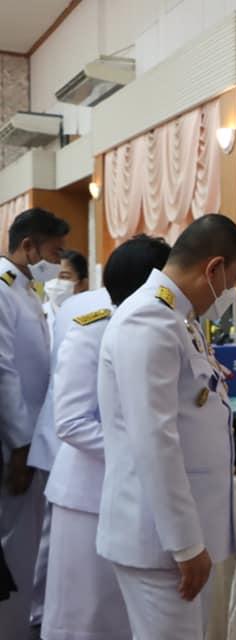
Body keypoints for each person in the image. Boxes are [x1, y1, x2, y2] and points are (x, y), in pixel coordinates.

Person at [97, 214, 236, 639]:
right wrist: (185, 544)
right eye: (234, 279)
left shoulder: (179, 319)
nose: (231, 292)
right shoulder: (149, 319)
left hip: (178, 538)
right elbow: (155, 441)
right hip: (160, 542)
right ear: (213, 268)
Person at [42, 235, 171, 640]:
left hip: (133, 495)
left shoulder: (163, 331)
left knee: (123, 618)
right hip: (88, 495)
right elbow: (71, 421)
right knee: (85, 616)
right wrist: (139, 451)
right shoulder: (93, 331)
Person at [0, 208, 69, 638]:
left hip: (29, 441)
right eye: (54, 251)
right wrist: (21, 444)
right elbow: (3, 372)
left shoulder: (24, 289)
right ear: (28, 246)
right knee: (12, 547)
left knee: (24, 546)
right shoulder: (2, 290)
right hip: (13, 445)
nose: (58, 261)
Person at [27, 248, 89, 631]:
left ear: (82, 283)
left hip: (65, 437)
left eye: (65, 276)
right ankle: (34, 608)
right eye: (55, 275)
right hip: (42, 435)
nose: (56, 283)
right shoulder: (38, 311)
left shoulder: (86, 317)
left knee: (53, 533)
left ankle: (42, 609)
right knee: (39, 531)